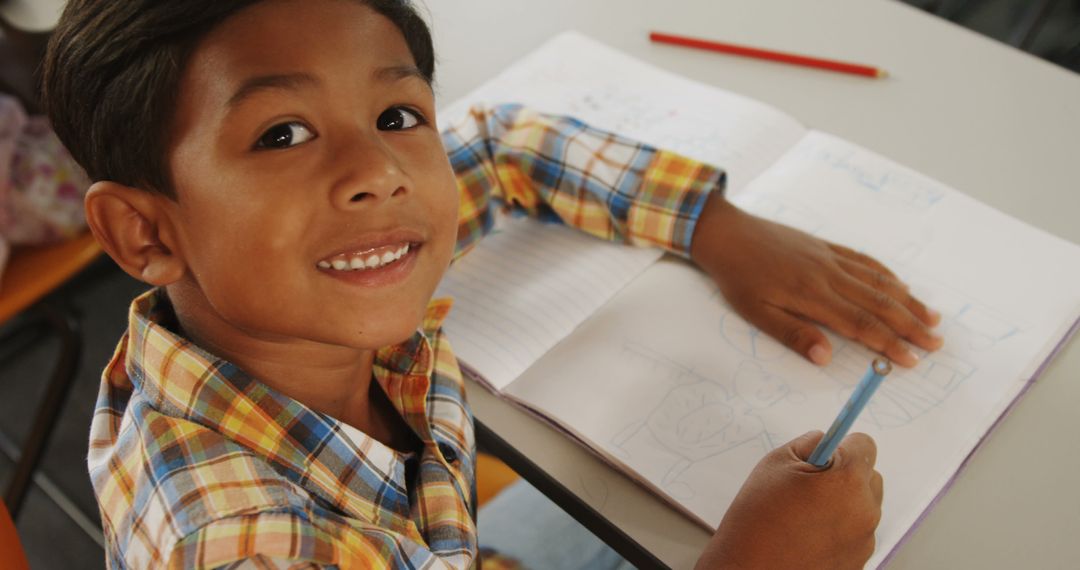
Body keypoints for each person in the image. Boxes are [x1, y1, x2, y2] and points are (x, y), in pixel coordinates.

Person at [42, 0, 942, 567]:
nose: (380, 170)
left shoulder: (307, 280)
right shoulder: (246, 548)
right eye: (282, 134)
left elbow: (506, 145)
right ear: (145, 230)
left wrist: (717, 227)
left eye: (397, 114)